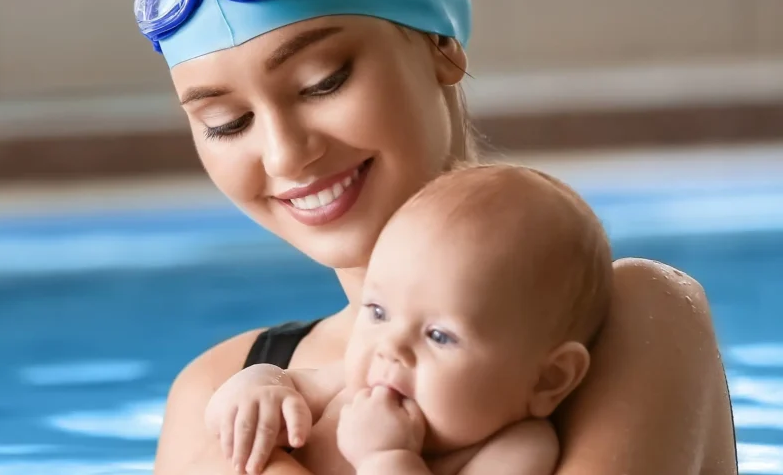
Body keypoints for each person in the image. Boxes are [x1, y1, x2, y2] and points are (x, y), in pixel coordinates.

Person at [131, 0, 737, 474]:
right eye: (227, 122)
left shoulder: (632, 315)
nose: (285, 155)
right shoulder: (218, 387)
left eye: (325, 81)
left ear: (441, 44)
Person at [204, 164, 614, 475]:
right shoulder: (356, 383)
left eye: (439, 335)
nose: (391, 348)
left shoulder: (516, 451)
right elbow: (284, 383)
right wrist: (259, 386)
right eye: (378, 312)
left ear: (549, 379)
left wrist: (386, 458)